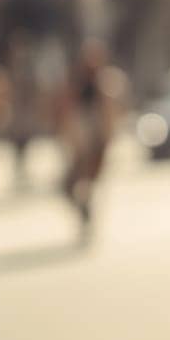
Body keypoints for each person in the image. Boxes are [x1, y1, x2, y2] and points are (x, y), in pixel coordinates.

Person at [56, 39, 123, 238]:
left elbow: (111, 116)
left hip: (95, 145)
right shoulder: (76, 86)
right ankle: (84, 209)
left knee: (86, 184)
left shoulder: (106, 84)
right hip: (79, 145)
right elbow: (64, 111)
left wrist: (107, 141)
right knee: (68, 186)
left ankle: (86, 211)